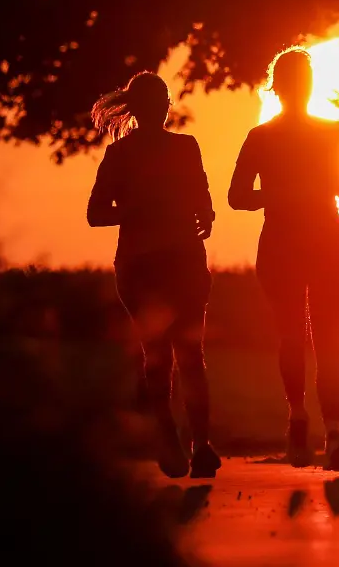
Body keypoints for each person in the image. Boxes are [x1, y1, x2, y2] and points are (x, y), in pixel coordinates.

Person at [229, 48, 339, 471]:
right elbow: (236, 196)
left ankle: (313, 425)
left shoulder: (280, 135)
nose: (303, 86)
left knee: (308, 337)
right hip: (310, 239)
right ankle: (319, 427)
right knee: (319, 338)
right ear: (287, 87)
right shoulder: (277, 135)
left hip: (300, 240)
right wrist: (301, 194)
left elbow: (338, 177)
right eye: (301, 79)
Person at [87, 71, 220, 479]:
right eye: (156, 102)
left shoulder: (182, 147)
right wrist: (135, 211)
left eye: (162, 101)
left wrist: (205, 215)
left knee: (170, 355)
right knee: (178, 355)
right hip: (151, 264)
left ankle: (192, 444)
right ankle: (185, 442)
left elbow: (202, 196)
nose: (160, 108)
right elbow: (95, 214)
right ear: (149, 107)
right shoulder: (122, 154)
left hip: (167, 262)